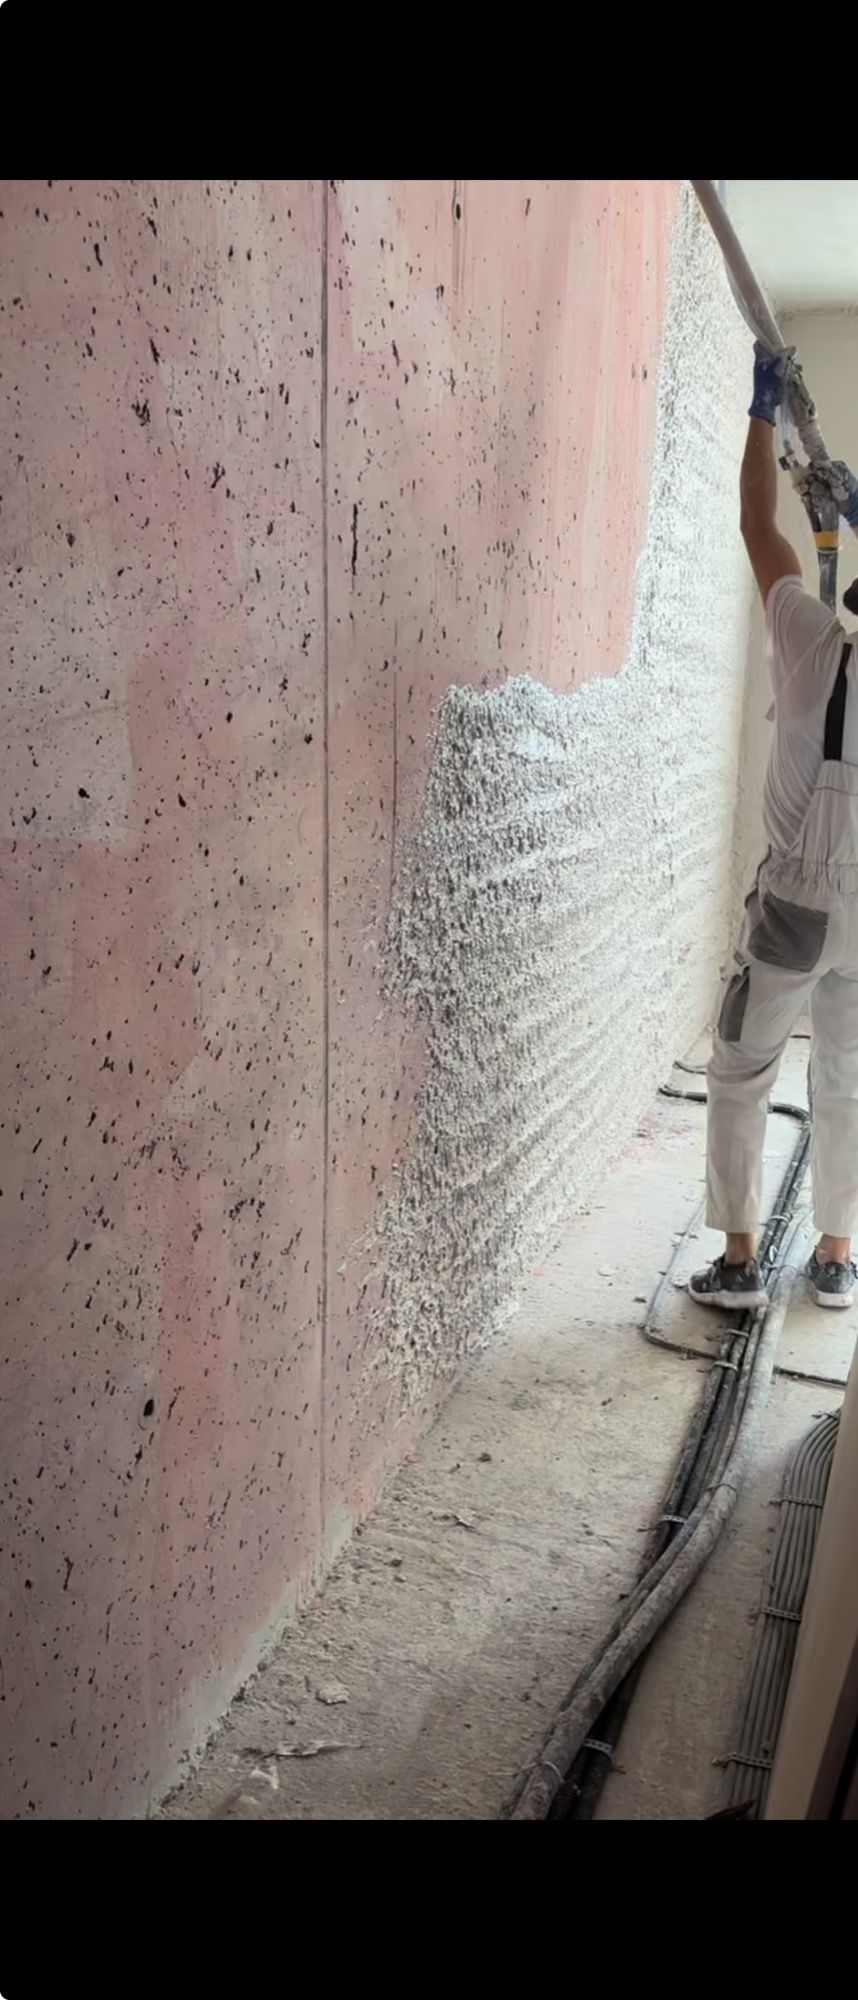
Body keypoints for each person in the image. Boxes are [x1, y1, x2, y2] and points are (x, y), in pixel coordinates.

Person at [690, 343, 858, 1314]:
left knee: (743, 1065)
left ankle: (740, 1260)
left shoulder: (806, 640)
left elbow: (758, 525)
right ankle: (836, 1255)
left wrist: (762, 411)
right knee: (847, 1075)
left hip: (795, 907)